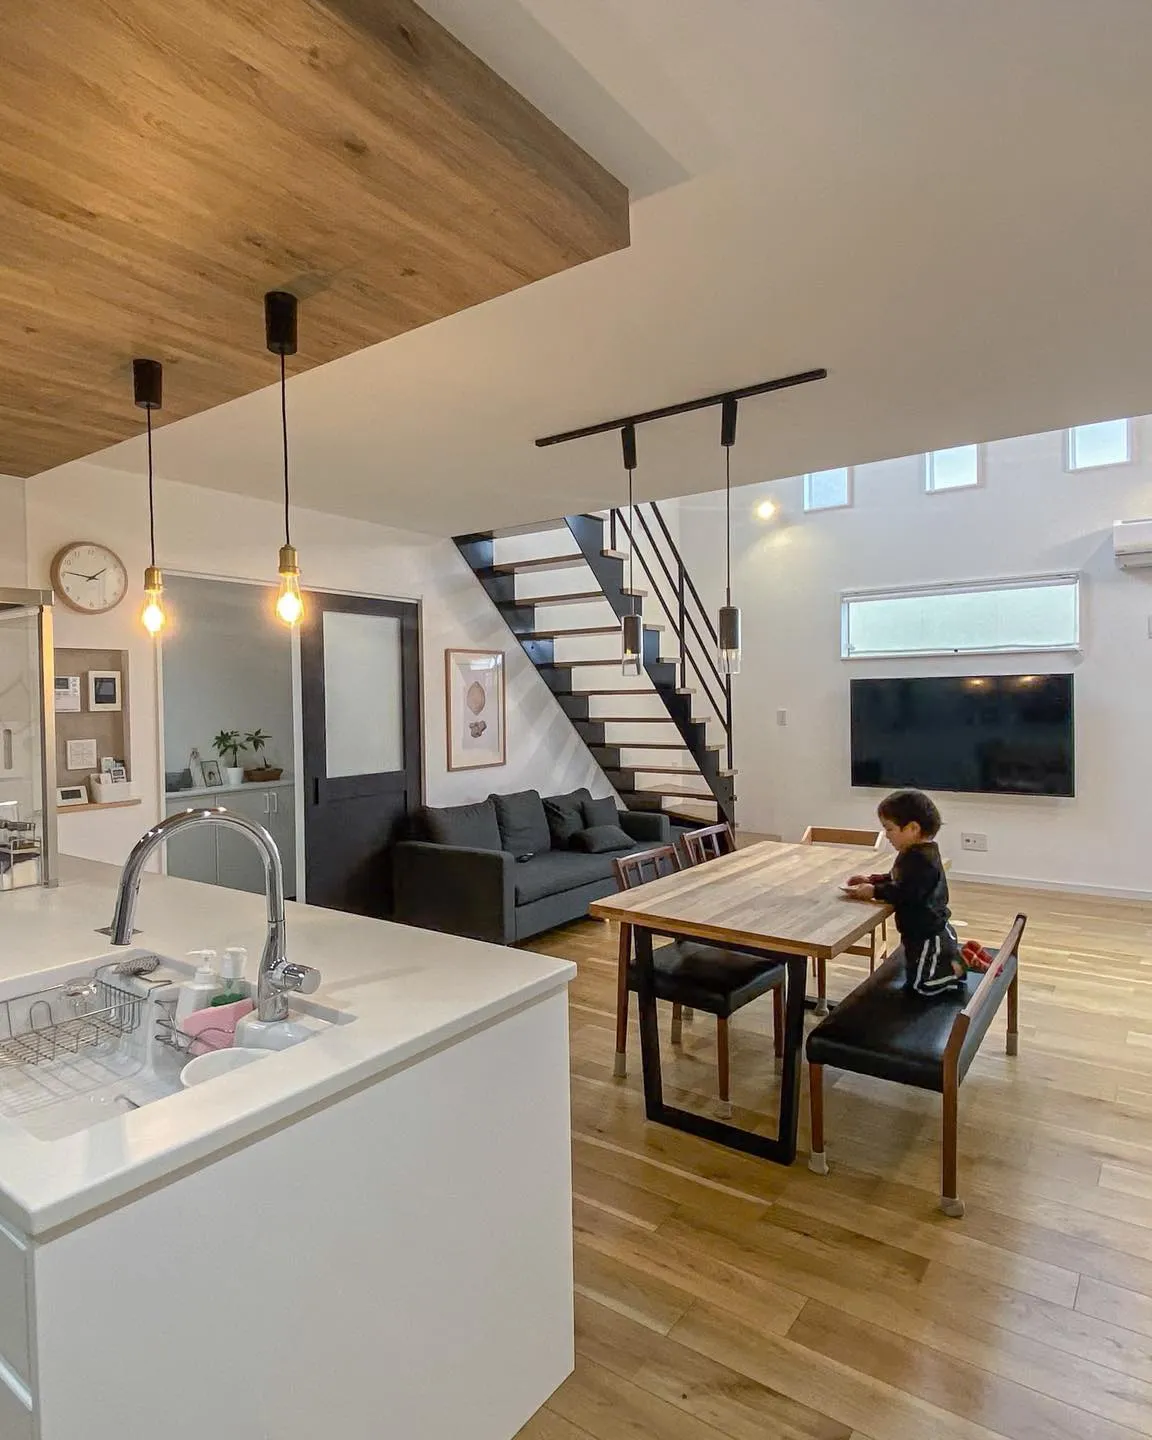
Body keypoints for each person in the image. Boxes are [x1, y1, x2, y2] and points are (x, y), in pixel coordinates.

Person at [841, 789, 965, 997]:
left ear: (913, 828)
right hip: (917, 932)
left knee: (922, 986)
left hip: (927, 934)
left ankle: (954, 974)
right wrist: (872, 880)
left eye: (889, 829)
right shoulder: (914, 853)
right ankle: (950, 968)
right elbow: (898, 878)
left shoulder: (922, 860)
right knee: (915, 971)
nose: (886, 835)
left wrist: (874, 891)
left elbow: (906, 891)